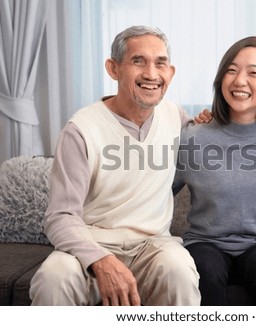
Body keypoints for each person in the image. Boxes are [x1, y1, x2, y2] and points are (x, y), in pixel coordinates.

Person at [29, 26, 200, 306]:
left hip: (153, 246)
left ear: (170, 73)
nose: (151, 74)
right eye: (138, 61)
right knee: (53, 277)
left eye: (160, 63)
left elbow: (220, 153)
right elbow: (60, 216)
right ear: (113, 69)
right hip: (90, 242)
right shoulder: (80, 130)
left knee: (179, 269)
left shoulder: (175, 116)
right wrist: (100, 259)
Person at [173, 36, 256, 305]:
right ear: (220, 80)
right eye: (231, 70)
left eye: (253, 72)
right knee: (204, 269)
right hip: (205, 243)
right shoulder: (192, 137)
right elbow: (155, 192)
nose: (239, 80)